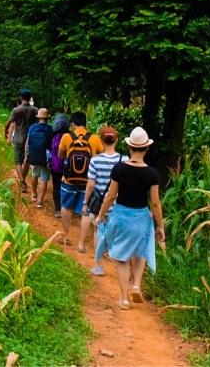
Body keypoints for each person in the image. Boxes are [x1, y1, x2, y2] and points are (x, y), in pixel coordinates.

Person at [93, 126, 165, 309]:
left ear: (130, 147)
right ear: (146, 149)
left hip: (121, 215)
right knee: (140, 251)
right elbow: (155, 203)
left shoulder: (119, 169)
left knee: (122, 257)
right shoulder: (152, 173)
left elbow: (110, 196)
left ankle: (124, 298)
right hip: (141, 217)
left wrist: (101, 215)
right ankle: (136, 285)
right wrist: (160, 226)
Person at [57, 111, 105, 244]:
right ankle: (81, 243)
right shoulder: (94, 138)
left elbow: (61, 155)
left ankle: (67, 236)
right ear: (86, 123)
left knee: (66, 206)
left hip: (69, 179)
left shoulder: (67, 137)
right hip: (88, 180)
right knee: (86, 210)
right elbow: (101, 154)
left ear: (72, 124)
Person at [82, 125, 125, 265]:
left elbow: (90, 184)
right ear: (116, 140)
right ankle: (111, 253)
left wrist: (85, 202)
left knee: (98, 228)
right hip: (118, 203)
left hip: (100, 202)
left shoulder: (95, 160)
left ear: (101, 141)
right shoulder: (124, 160)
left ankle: (98, 262)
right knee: (114, 229)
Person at [4, 89, 38, 189]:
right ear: (30, 98)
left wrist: (6, 133)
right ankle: (23, 179)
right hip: (30, 139)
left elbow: (8, 123)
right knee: (27, 160)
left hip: (18, 138)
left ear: (21, 98)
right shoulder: (35, 110)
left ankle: (22, 181)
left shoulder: (16, 110)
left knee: (18, 161)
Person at [24, 108, 54, 209]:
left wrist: (26, 155)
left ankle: (33, 193)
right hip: (45, 157)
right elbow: (52, 144)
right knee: (44, 178)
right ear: (47, 118)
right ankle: (40, 201)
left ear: (38, 117)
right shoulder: (50, 129)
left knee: (34, 175)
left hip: (34, 155)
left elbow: (27, 142)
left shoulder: (32, 127)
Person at [47, 113, 71, 219]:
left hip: (55, 166)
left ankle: (58, 209)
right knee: (66, 187)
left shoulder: (52, 136)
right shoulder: (70, 136)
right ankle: (66, 208)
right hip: (67, 167)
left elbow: (48, 151)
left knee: (56, 187)